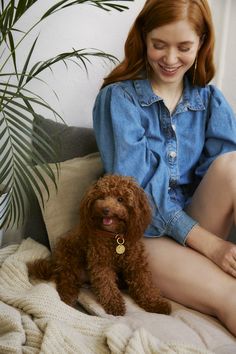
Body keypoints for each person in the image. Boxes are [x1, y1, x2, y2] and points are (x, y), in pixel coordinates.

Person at [92, 0, 236, 336]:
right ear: (143, 38)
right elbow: (138, 198)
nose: (170, 60)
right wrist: (213, 247)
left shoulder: (209, 100)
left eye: (184, 47)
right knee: (232, 295)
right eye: (159, 45)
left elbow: (220, 182)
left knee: (231, 165)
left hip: (196, 224)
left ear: (201, 42)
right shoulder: (119, 100)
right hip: (139, 237)